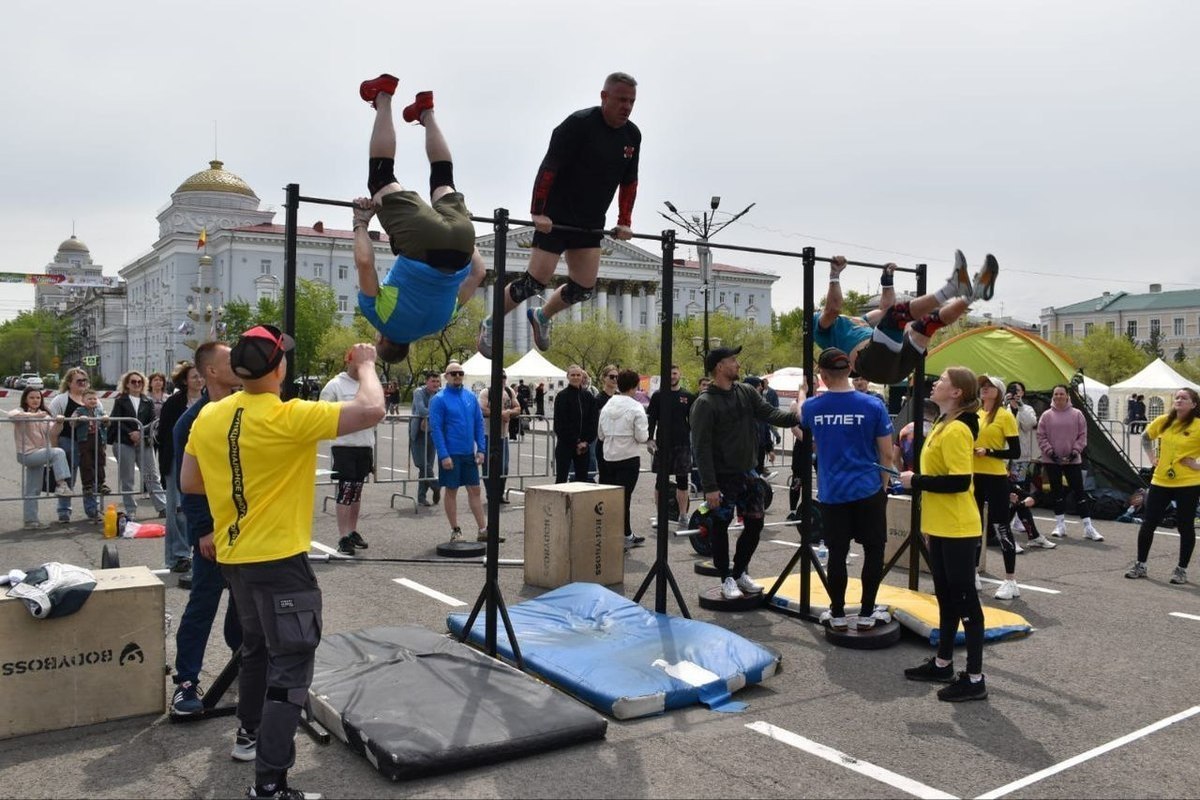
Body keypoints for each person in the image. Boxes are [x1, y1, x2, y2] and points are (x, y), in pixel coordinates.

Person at [181, 327, 385, 800]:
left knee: (255, 650)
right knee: (290, 669)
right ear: (279, 369)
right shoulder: (287, 415)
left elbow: (190, 481)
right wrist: (368, 365)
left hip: (236, 557)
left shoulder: (211, 414)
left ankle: (248, 736)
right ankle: (270, 785)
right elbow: (372, 409)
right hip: (278, 560)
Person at [477, 72, 640, 357]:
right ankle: (490, 321)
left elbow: (629, 182)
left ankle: (542, 316)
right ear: (604, 97)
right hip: (556, 216)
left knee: (583, 288)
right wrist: (538, 212)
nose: (626, 107)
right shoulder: (577, 125)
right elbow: (549, 168)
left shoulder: (632, 136)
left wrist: (624, 220)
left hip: (590, 222)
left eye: (632, 101)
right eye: (621, 100)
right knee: (534, 281)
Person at [354, 74, 486, 362]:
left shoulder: (438, 323)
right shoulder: (381, 319)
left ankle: (426, 112)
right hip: (421, 246)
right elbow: (365, 263)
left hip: (463, 243)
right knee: (381, 177)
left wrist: (466, 226)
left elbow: (479, 274)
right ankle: (383, 97)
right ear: (381, 339)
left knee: (443, 179)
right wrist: (361, 223)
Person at [899, 367, 988, 702]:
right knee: (946, 599)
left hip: (958, 527)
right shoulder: (943, 423)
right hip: (939, 524)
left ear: (957, 393)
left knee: (966, 602)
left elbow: (959, 481)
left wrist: (915, 481)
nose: (935, 383)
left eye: (943, 381)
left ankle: (976, 678)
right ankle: (943, 663)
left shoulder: (958, 430)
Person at [169, 341, 244, 718]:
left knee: (246, 603)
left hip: (248, 528)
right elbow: (189, 483)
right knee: (204, 602)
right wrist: (203, 531)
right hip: (213, 532)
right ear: (211, 371)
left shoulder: (246, 409)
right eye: (231, 359)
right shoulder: (191, 421)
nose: (240, 363)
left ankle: (243, 662)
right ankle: (185, 682)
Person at [691, 346, 800, 600]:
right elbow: (701, 448)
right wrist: (709, 487)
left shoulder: (747, 391)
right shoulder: (705, 404)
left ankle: (739, 572)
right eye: (733, 360)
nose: (738, 364)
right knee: (720, 527)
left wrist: (797, 417)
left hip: (748, 473)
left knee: (755, 524)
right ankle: (725, 579)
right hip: (721, 478)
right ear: (719, 366)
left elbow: (770, 414)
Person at [797, 348, 895, 630]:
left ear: (823, 376)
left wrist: (804, 391)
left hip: (833, 493)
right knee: (874, 551)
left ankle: (837, 613)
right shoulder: (873, 405)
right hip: (868, 490)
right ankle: (866, 613)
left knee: (837, 554)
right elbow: (886, 455)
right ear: (850, 371)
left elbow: (800, 417)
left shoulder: (814, 406)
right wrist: (883, 488)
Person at [815, 253, 998, 385]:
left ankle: (973, 295)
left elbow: (885, 309)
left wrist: (887, 281)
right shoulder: (822, 327)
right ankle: (952, 288)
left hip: (896, 367)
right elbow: (832, 309)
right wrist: (835, 275)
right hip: (872, 364)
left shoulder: (858, 320)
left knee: (929, 322)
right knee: (896, 316)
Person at [1125, 388, 1200, 584]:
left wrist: (1197, 465)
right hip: (1160, 481)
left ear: (1194, 404)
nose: (1179, 400)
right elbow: (1145, 437)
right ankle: (1140, 565)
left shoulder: (1198, 425)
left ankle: (1181, 570)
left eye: (1184, 398)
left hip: (1188, 483)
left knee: (1185, 526)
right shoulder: (1164, 421)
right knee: (1149, 523)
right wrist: (1151, 457)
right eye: (1177, 397)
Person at [321, 349, 379, 556]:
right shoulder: (335, 385)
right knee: (345, 492)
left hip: (365, 444)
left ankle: (353, 530)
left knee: (356, 491)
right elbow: (324, 414)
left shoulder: (368, 384)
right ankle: (343, 536)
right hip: (344, 445)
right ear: (350, 362)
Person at [972, 375, 1024, 600]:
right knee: (974, 526)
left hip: (996, 477)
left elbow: (1015, 452)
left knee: (1001, 526)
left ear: (999, 391)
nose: (984, 389)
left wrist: (990, 451)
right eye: (982, 386)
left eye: (989, 386)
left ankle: (1010, 580)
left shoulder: (1005, 416)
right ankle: (973, 573)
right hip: (975, 476)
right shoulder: (975, 413)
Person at [428, 361, 491, 543]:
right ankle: (455, 530)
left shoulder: (470, 396)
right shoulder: (439, 399)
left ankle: (483, 529)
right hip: (451, 453)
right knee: (452, 490)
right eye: (453, 373)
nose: (457, 376)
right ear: (446, 376)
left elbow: (479, 424)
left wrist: (481, 449)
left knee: (475, 490)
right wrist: (443, 454)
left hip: (468, 453)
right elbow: (436, 429)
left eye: (460, 373)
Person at [1037, 384, 1103, 541]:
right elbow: (1041, 436)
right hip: (1052, 460)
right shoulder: (1046, 415)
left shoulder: (1077, 414)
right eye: (1056, 394)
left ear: (1067, 396)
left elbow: (1082, 435)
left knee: (1079, 491)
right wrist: (1052, 454)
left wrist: (1074, 452)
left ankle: (1088, 527)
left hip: (1073, 460)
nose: (1058, 396)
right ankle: (1060, 524)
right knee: (1057, 492)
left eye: (1061, 394)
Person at [157, 362, 204, 575]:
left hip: (203, 459)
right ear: (185, 380)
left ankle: (201, 551)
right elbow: (164, 437)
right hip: (177, 459)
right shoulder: (174, 403)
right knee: (178, 510)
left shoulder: (209, 401)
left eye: (200, 376)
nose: (199, 380)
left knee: (199, 507)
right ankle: (178, 556)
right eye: (194, 377)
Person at [598, 368, 650, 550]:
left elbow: (601, 435)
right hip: (628, 457)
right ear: (635, 386)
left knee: (612, 498)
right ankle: (622, 537)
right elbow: (642, 436)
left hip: (609, 456)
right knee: (624, 499)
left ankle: (621, 533)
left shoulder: (607, 406)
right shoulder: (636, 407)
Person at [10, 387, 72, 529]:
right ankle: (62, 484)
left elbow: (53, 432)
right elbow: (12, 416)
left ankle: (31, 521)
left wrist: (59, 422)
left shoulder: (44, 414)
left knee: (33, 489)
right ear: (25, 399)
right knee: (58, 452)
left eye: (38, 398)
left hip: (39, 453)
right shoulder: (20, 411)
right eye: (31, 397)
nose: (35, 400)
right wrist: (32, 416)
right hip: (26, 454)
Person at [110, 370, 168, 520]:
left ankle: (162, 506)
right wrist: (132, 433)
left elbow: (154, 420)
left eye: (139, 382)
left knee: (151, 475)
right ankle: (130, 510)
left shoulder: (147, 401)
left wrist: (140, 432)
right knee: (127, 478)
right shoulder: (120, 400)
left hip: (144, 442)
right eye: (133, 382)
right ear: (127, 384)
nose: (137, 384)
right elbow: (116, 420)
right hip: (124, 442)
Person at [646, 365, 695, 527]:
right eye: (669, 374)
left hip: (682, 445)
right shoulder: (658, 396)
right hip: (663, 445)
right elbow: (652, 419)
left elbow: (694, 421)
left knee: (682, 481)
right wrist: (649, 439)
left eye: (674, 373)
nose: (672, 376)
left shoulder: (688, 396)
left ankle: (683, 515)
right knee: (661, 482)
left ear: (679, 374)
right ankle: (661, 516)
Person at [47, 367, 97, 523]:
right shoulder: (61, 400)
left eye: (85, 380)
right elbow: (51, 425)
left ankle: (92, 509)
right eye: (78, 380)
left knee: (90, 476)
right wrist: (55, 448)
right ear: (69, 383)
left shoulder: (93, 400)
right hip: (68, 442)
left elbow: (99, 420)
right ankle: (64, 511)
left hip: (88, 443)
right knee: (68, 478)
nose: (82, 383)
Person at [553, 364, 599, 483]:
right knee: (561, 479)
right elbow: (560, 423)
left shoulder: (588, 396)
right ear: (568, 376)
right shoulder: (562, 396)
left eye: (578, 375)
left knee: (581, 481)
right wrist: (576, 442)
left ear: (582, 377)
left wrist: (586, 441)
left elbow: (593, 421)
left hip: (584, 446)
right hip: (566, 444)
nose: (576, 377)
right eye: (573, 375)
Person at [478, 372, 518, 507]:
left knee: (504, 467)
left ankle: (499, 494)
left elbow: (517, 408)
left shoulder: (509, 391)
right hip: (488, 434)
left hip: (503, 435)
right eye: (499, 377)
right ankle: (491, 495)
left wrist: (509, 412)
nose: (502, 380)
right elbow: (482, 410)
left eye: (504, 377)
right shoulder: (486, 392)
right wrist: (501, 414)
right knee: (489, 467)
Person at [71, 388, 111, 510]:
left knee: (100, 461)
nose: (93, 401)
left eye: (94, 398)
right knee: (86, 463)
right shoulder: (79, 410)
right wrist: (78, 419)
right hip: (85, 440)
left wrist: (106, 419)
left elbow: (107, 424)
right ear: (83, 400)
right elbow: (71, 423)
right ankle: (87, 485)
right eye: (89, 399)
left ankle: (101, 484)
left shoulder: (100, 410)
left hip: (98, 439)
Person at [409, 371, 442, 507]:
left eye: (437, 381)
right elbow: (421, 410)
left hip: (432, 432)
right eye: (432, 381)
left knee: (427, 465)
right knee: (421, 463)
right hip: (418, 433)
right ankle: (436, 485)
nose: (435, 384)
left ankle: (421, 497)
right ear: (426, 381)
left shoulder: (440, 394)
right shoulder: (419, 392)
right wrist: (438, 414)